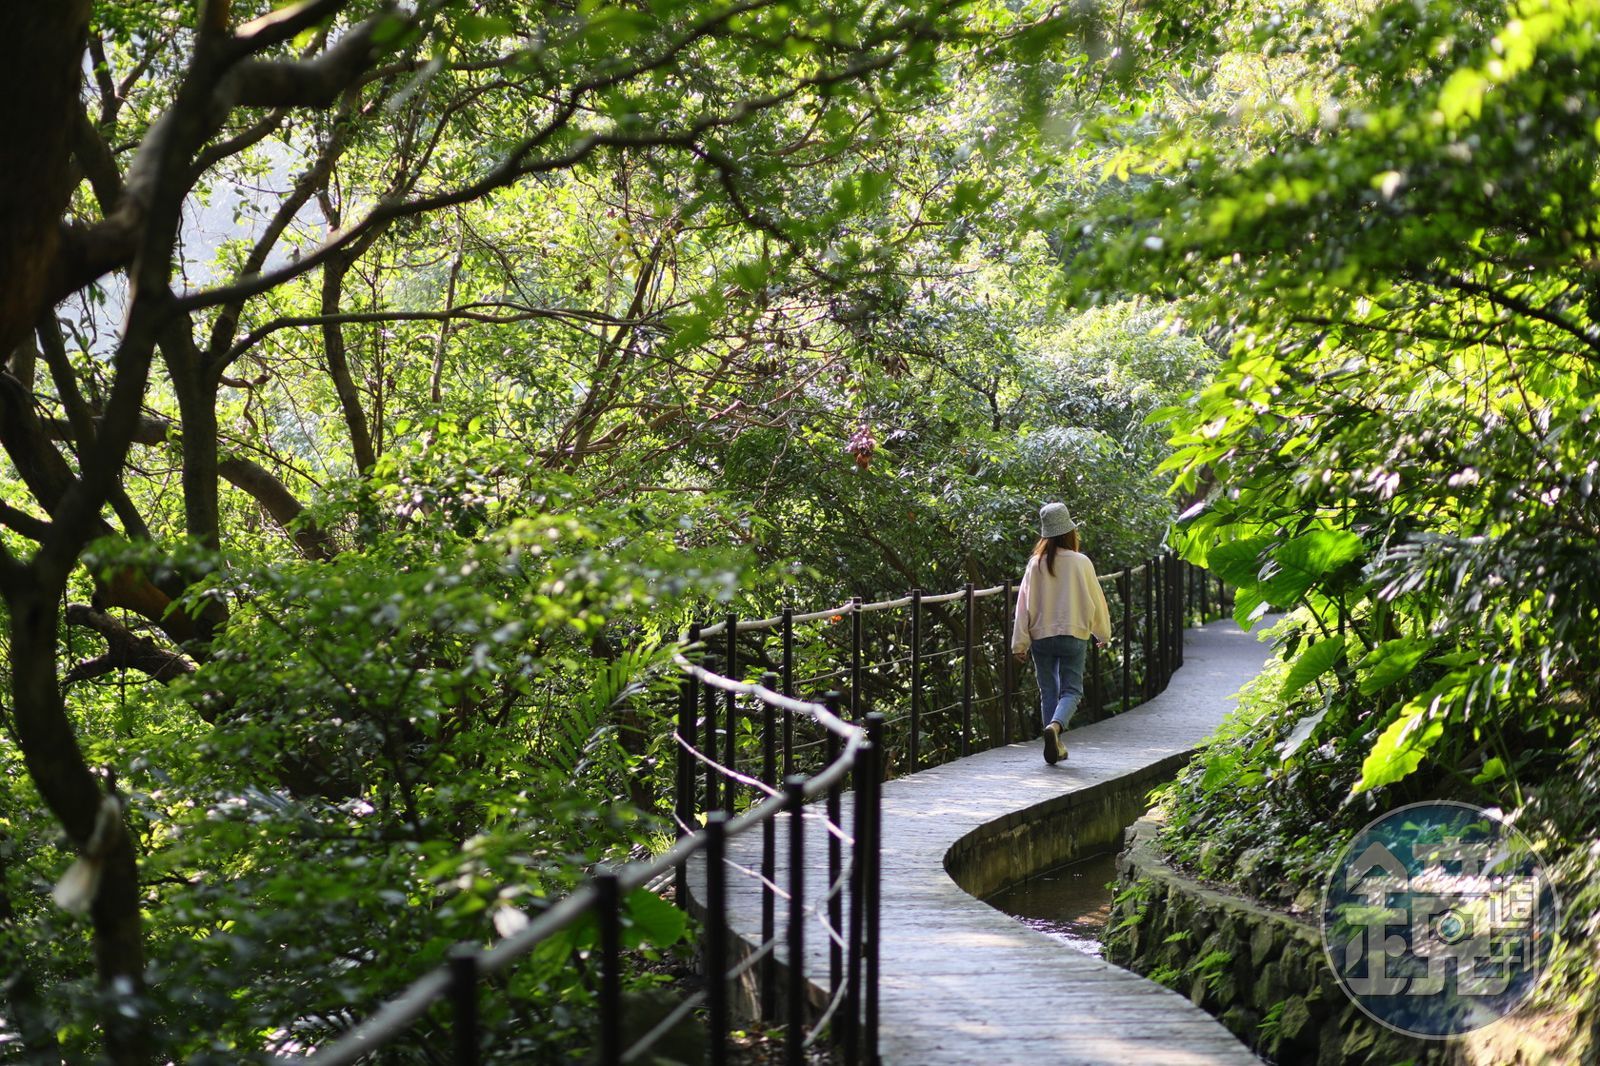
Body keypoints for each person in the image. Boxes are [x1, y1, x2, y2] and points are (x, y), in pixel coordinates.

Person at [1011, 503, 1111, 765]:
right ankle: (1055, 729)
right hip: (1074, 635)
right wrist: (1103, 633)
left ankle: (1054, 745)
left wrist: (1019, 644)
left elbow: (1024, 604)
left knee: (1048, 690)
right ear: (1069, 531)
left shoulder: (1035, 564)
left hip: (1041, 636)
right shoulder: (1081, 562)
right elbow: (1096, 600)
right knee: (1072, 690)